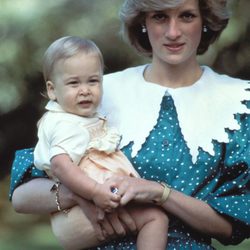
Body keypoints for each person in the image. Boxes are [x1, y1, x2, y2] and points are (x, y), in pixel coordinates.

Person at [10, 0, 250, 249]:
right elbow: (21, 196)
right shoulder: (96, 91)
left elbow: (233, 227)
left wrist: (159, 193)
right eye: (159, 17)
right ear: (143, 22)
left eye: (187, 16)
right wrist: (84, 194)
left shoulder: (238, 103)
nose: (173, 32)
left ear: (206, 21)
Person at [32, 35, 169, 250]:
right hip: (80, 212)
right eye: (73, 83)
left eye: (93, 81)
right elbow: (61, 165)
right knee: (155, 219)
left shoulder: (78, 118)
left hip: (86, 207)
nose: (85, 90)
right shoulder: (65, 124)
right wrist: (95, 192)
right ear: (52, 90)